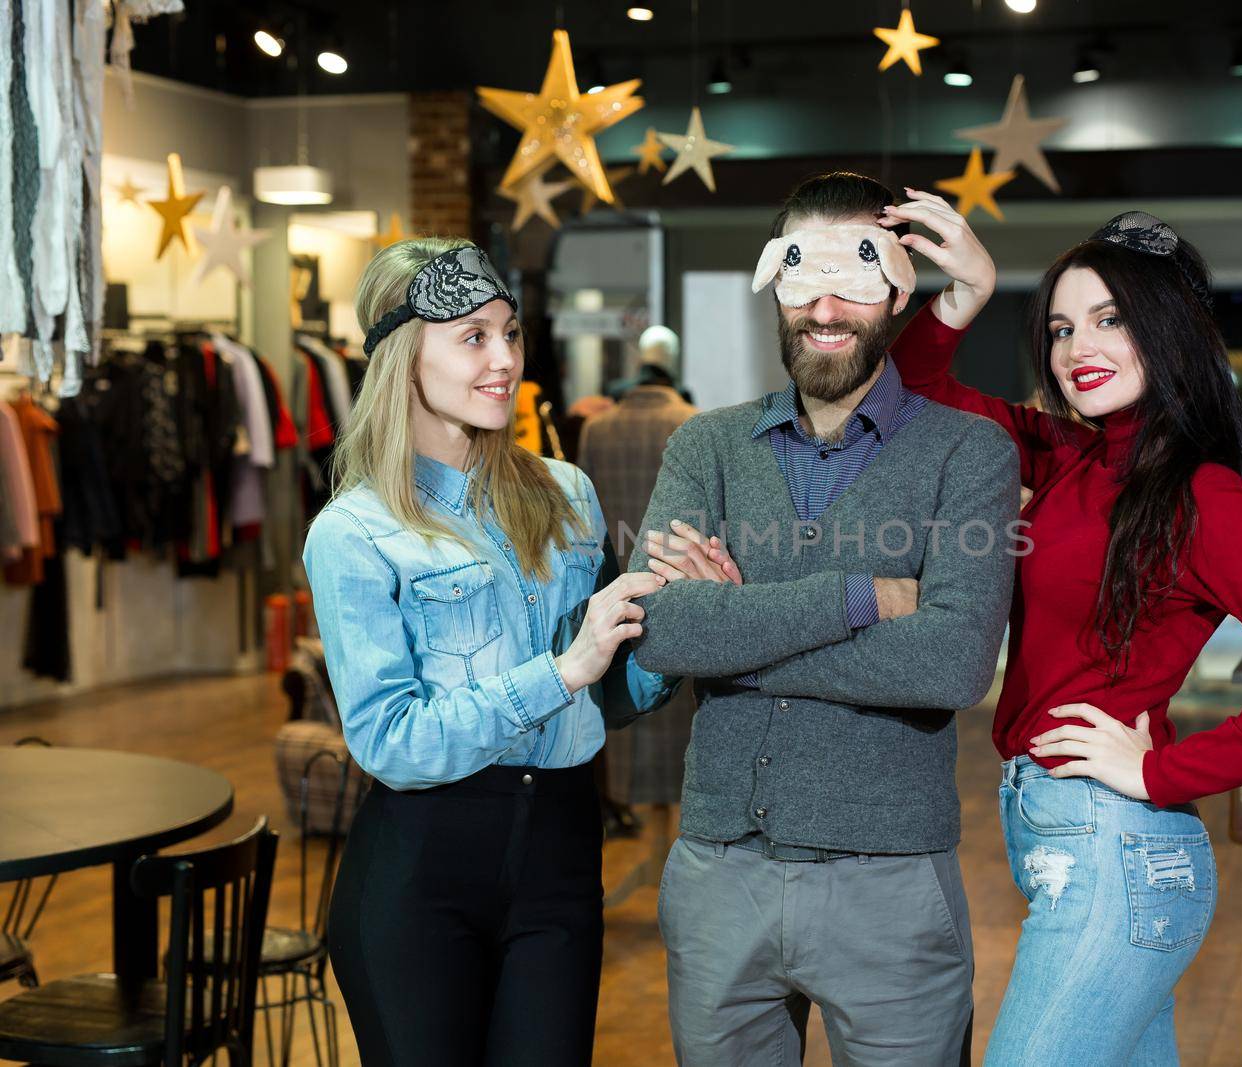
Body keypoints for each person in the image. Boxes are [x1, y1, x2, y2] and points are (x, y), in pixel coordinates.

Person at [877, 195, 1242, 1064]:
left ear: (1169, 328)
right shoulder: (1066, 452)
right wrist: (969, 291)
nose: (1079, 349)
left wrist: (1161, 770)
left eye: (1110, 319)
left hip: (1117, 850)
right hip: (1059, 832)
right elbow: (915, 393)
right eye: (1063, 327)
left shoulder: (1208, 498)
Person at [629, 171, 1020, 1067]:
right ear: (775, 282)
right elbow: (660, 632)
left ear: (897, 293)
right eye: (804, 278)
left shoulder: (970, 452)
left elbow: (954, 663)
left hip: (889, 884)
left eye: (856, 277)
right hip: (719, 872)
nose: (827, 306)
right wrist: (861, 596)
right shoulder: (707, 446)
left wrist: (732, 633)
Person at [302, 237, 678, 1066]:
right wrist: (561, 668)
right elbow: (389, 740)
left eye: (509, 332)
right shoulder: (354, 531)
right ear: (404, 358)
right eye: (473, 336)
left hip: (562, 855)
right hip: (420, 873)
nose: (504, 357)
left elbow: (611, 687)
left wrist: (678, 612)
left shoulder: (565, 493)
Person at [578, 355, 699, 828]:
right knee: (675, 710)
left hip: (613, 587)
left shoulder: (597, 429)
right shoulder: (692, 423)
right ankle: (669, 829)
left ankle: (631, 808)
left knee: (621, 700)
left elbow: (587, 519)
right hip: (677, 580)